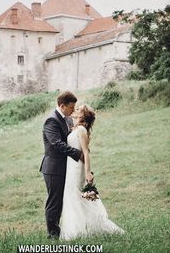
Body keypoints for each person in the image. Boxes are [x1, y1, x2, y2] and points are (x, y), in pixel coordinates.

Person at [60, 104, 125, 240]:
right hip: (71, 167)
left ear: (83, 116)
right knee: (73, 197)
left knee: (78, 197)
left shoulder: (82, 130)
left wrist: (88, 172)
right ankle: (77, 230)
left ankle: (82, 230)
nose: (75, 110)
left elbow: (86, 152)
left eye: (79, 110)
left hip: (78, 169)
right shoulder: (75, 128)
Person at [39, 91, 85, 239]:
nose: (73, 110)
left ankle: (61, 231)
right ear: (62, 105)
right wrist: (78, 154)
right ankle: (52, 235)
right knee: (54, 202)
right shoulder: (51, 121)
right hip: (53, 169)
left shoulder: (68, 119)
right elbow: (57, 144)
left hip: (65, 167)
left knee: (62, 200)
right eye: (71, 107)